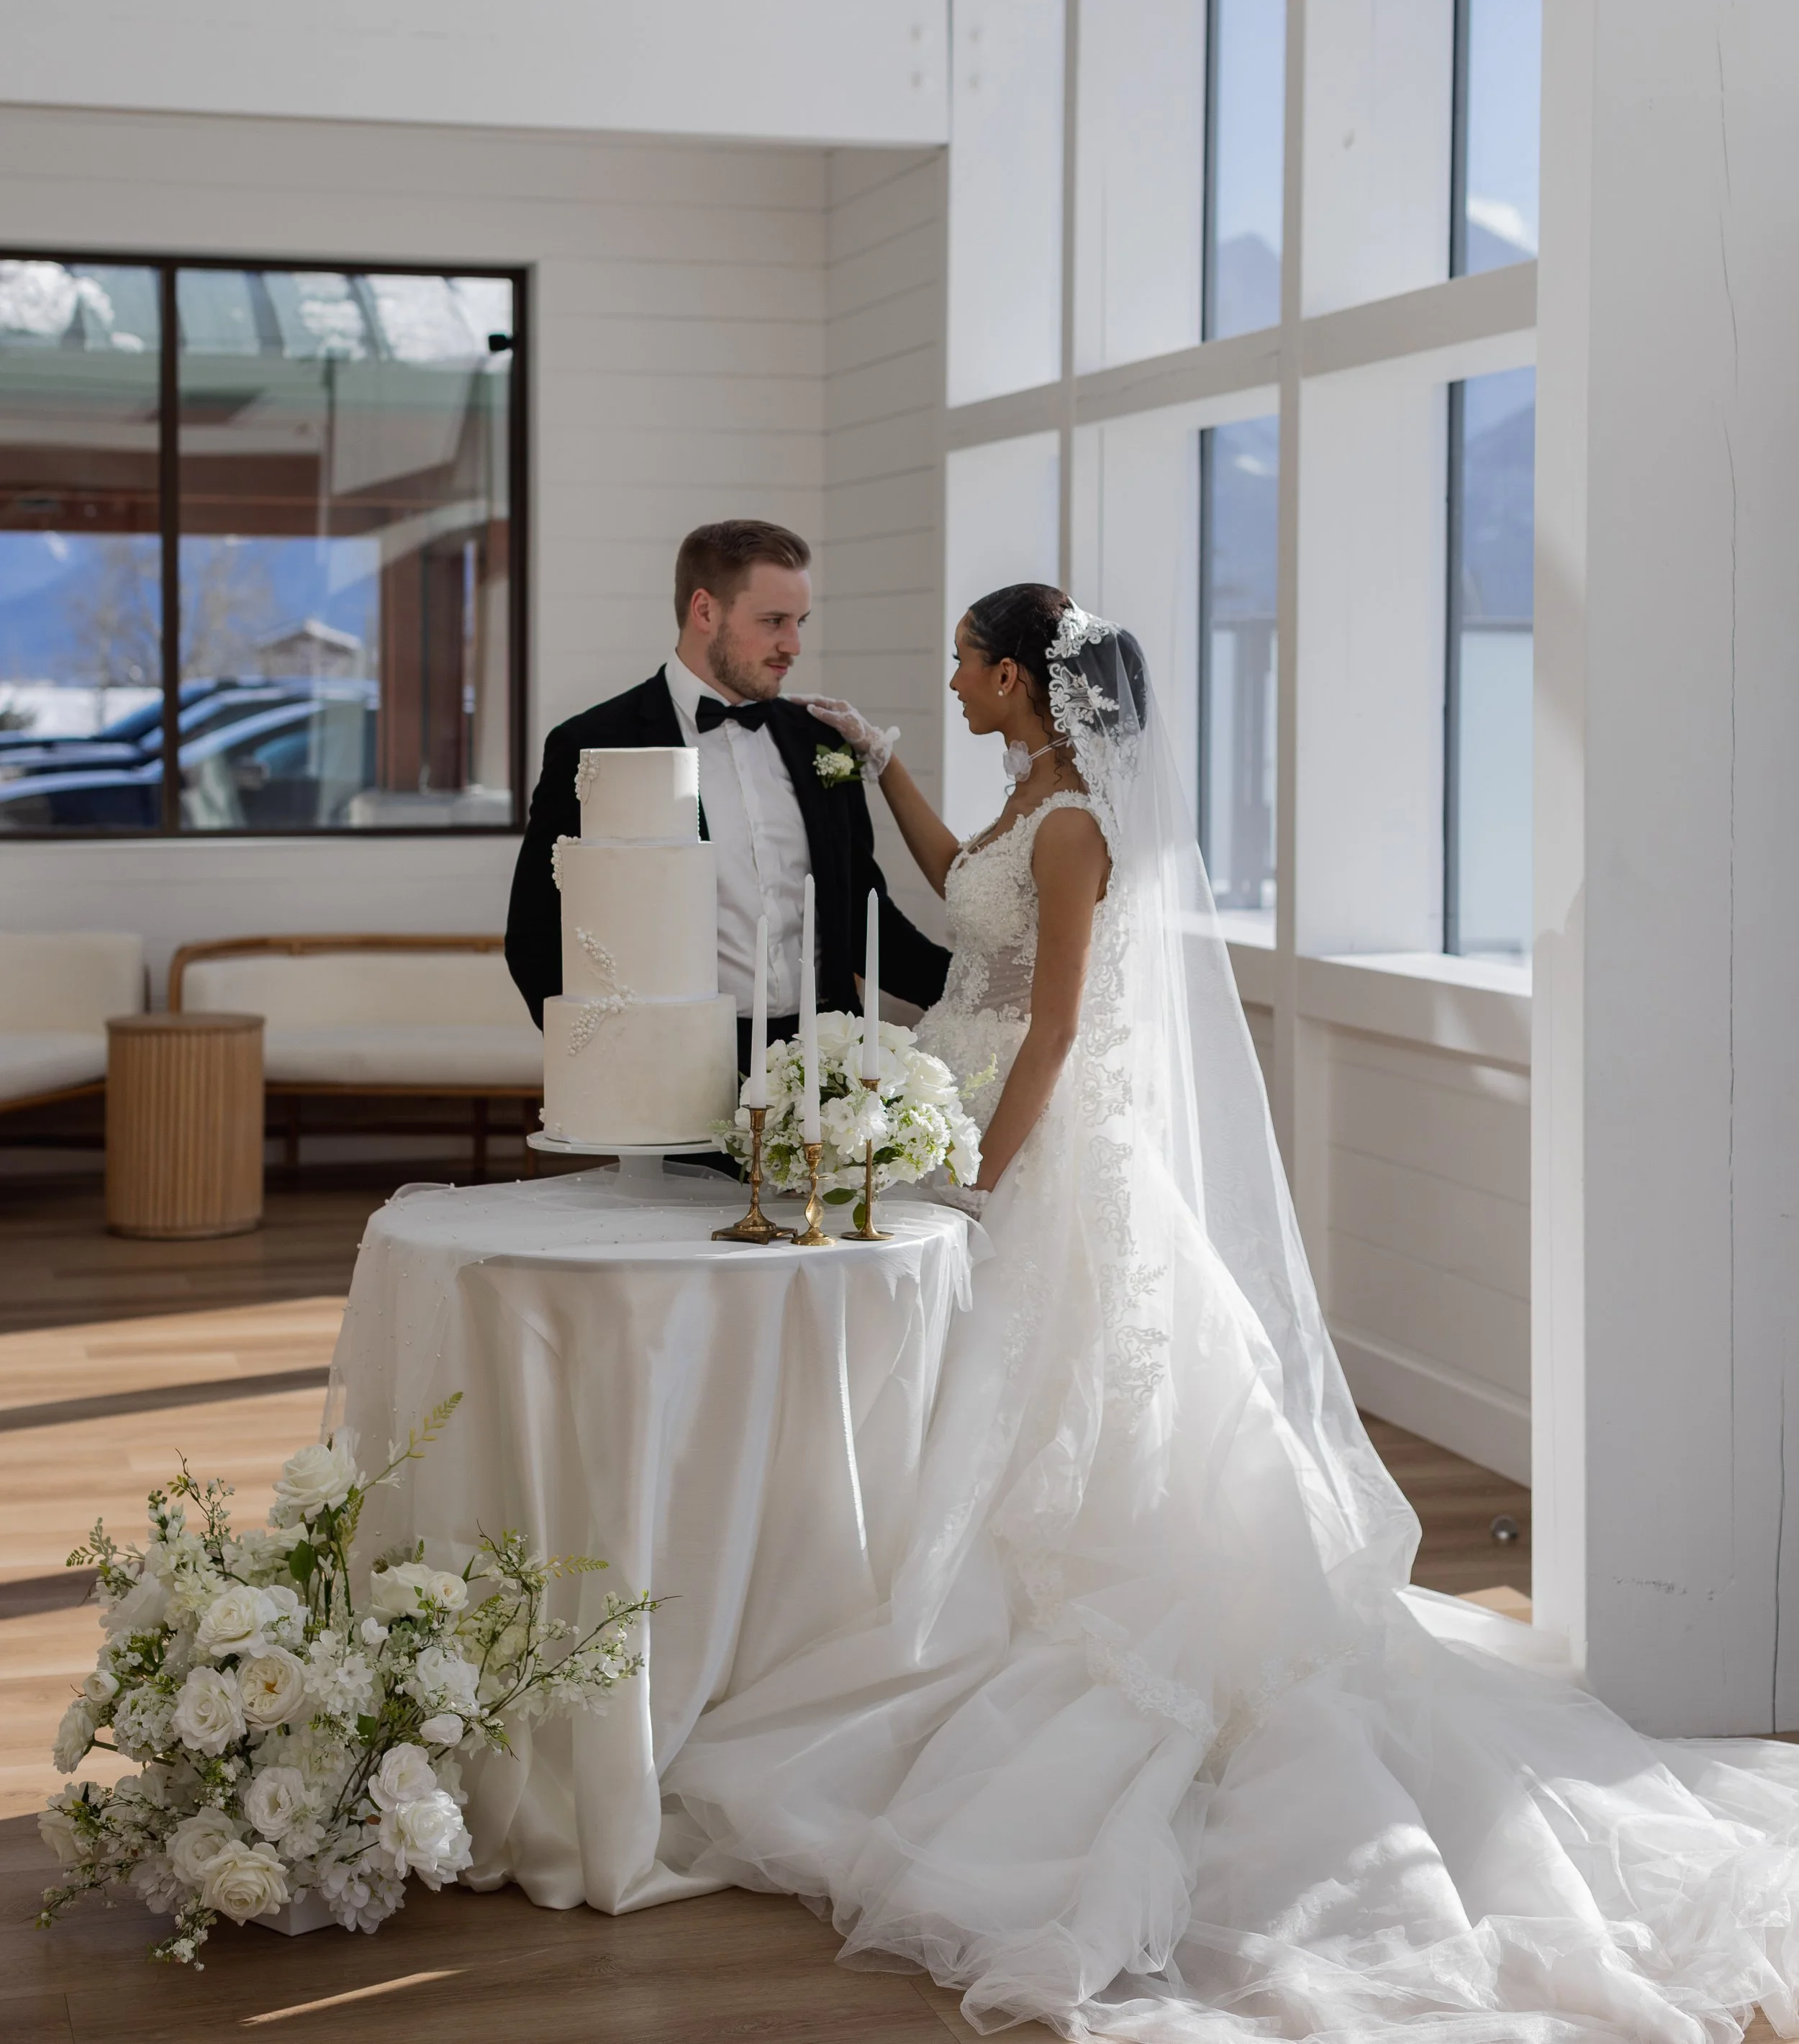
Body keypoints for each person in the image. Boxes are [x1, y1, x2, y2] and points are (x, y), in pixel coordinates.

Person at [666, 584, 1799, 2043]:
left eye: (961, 661)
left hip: (1046, 1144)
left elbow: (1059, 1021)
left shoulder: (1076, 828)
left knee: (1086, 1415)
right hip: (974, 1104)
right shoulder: (1027, 803)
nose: (948, 679)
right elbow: (957, 882)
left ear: (1014, 675)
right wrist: (883, 758)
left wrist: (980, 1171)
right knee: (986, 1399)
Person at [504, 517, 948, 1091]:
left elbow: (864, 911)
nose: (793, 645)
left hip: (825, 1067)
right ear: (705, 611)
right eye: (773, 622)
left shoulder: (824, 742)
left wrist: (984, 991)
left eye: (800, 622)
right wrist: (611, 1060)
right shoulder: (595, 744)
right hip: (673, 1068)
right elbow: (535, 933)